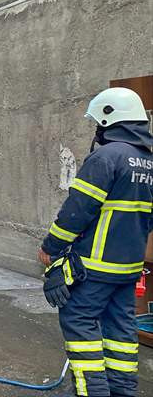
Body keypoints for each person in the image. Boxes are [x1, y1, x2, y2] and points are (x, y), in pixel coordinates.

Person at [38, 87, 151, 397]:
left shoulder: (107, 156)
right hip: (128, 268)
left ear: (107, 119)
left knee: (79, 324)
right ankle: (123, 391)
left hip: (94, 269)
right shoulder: (149, 161)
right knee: (121, 333)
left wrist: (51, 248)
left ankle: (93, 392)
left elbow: (77, 211)